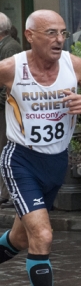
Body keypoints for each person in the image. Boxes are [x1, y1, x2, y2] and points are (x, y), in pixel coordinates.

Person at [0, 10, 81, 286]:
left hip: (56, 163)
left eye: (63, 32)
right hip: (20, 160)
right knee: (44, 235)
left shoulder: (73, 66)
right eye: (51, 33)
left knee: (21, 240)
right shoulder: (10, 68)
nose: (59, 39)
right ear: (31, 35)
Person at [0, 13, 22, 208]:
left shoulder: (11, 47)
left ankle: (9, 194)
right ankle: (5, 193)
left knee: (6, 148)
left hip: (7, 108)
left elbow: (12, 82)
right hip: (4, 107)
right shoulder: (5, 46)